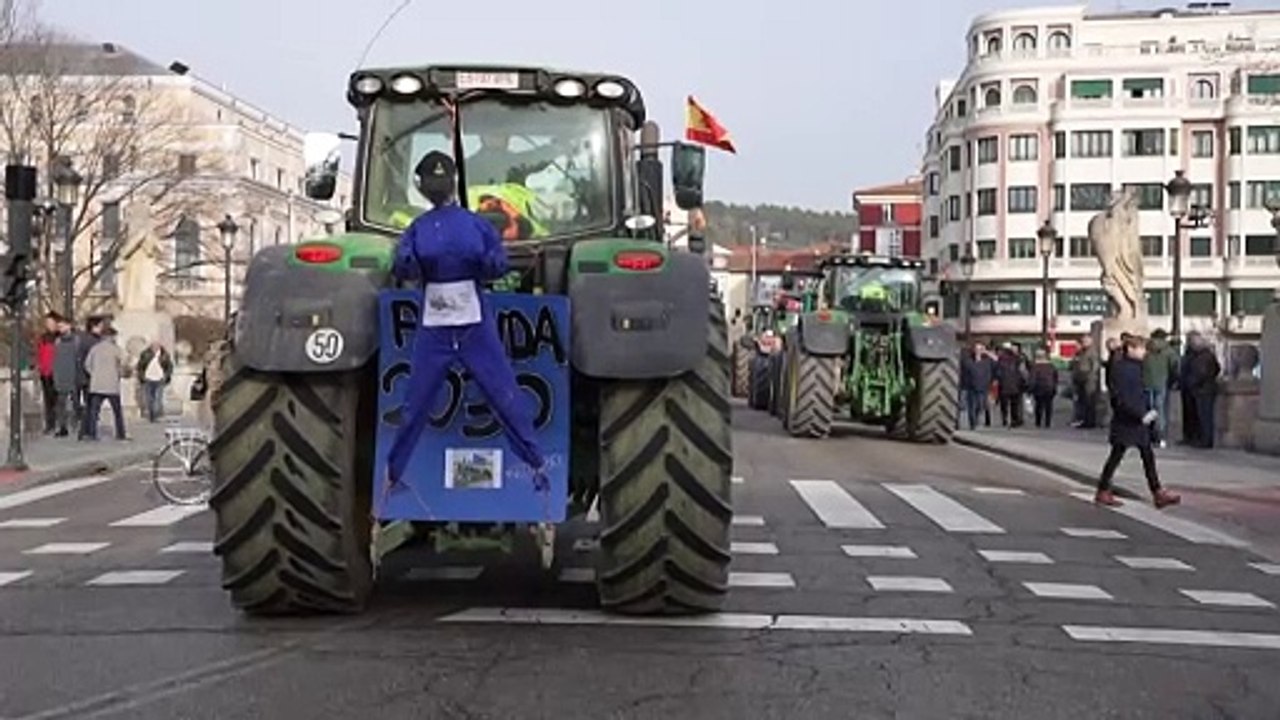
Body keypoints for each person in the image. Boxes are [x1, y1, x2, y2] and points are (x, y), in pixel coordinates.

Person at [385, 150, 547, 490]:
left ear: (422, 187)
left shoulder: (418, 229)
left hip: (435, 327)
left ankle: (393, 476)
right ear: (454, 183)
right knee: (504, 392)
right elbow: (496, 266)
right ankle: (537, 465)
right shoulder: (478, 225)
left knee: (416, 402)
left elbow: (404, 267)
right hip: (474, 324)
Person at [1094, 335, 1181, 509]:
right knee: (1117, 455)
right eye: (1140, 348)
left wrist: (1147, 411)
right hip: (1128, 419)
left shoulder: (1138, 367)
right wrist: (1139, 414)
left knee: (1146, 455)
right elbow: (1120, 397)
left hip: (1137, 418)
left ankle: (1156, 491)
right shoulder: (1121, 369)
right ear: (1131, 349)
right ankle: (1103, 490)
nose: (1144, 352)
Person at [465, 132, 565, 187]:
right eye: (496, 134)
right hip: (508, 220)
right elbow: (534, 159)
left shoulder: (465, 166)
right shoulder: (512, 162)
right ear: (483, 137)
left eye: (506, 134)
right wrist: (557, 148)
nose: (504, 138)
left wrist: (555, 149)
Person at [84, 327, 127, 441]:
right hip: (111, 384)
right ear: (111, 337)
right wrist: (118, 372)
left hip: (97, 384)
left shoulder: (94, 349)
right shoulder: (115, 349)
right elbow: (124, 363)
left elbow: (87, 365)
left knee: (94, 411)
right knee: (117, 412)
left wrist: (94, 374)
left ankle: (92, 433)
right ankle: (120, 433)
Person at [1181, 332, 1222, 449]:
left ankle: (1206, 440)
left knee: (1205, 417)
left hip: (1203, 389)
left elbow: (1202, 373)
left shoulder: (1204, 356)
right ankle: (1200, 438)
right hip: (1200, 389)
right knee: (1199, 417)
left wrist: (1192, 382)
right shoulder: (1198, 356)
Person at [1142, 329, 1179, 448]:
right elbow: (1175, 367)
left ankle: (1149, 435)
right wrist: (1173, 381)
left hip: (1146, 382)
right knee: (1161, 410)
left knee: (1149, 409)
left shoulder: (1146, 350)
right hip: (1162, 382)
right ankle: (1161, 436)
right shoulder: (1169, 351)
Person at [50, 316, 81, 437]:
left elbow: (79, 358)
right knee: (61, 404)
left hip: (74, 375)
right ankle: (63, 427)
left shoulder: (76, 340)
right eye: (59, 326)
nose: (60, 328)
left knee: (76, 403)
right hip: (61, 376)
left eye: (62, 326)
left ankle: (77, 425)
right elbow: (55, 359)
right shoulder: (57, 341)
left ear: (69, 326)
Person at [959, 341, 995, 431]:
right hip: (971, 387)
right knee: (972, 406)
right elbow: (964, 365)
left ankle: (976, 419)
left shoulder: (987, 361)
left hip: (983, 387)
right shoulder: (968, 360)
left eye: (980, 349)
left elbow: (997, 360)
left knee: (980, 405)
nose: (978, 351)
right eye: (977, 349)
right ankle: (972, 423)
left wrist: (987, 352)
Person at [136, 339, 174, 423]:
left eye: (157, 345)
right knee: (149, 398)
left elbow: (169, 367)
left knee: (158, 398)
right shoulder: (145, 354)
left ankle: (156, 414)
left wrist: (166, 376)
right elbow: (140, 366)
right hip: (148, 378)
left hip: (160, 379)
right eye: (154, 345)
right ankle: (151, 414)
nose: (155, 347)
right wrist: (141, 376)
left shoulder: (165, 355)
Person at [35, 312, 60, 434]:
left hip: (57, 372)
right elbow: (39, 354)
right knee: (48, 400)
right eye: (47, 323)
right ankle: (50, 424)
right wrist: (38, 366)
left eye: (51, 322)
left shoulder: (59, 338)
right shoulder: (43, 338)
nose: (48, 325)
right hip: (45, 373)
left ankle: (59, 424)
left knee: (58, 399)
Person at [1069, 335, 1101, 429]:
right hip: (1081, 379)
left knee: (1089, 401)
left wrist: (1090, 376)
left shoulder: (1092, 352)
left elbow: (1095, 366)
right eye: (1083, 341)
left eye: (1085, 341)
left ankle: (1090, 422)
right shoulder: (1081, 352)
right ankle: (1084, 420)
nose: (1083, 343)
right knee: (1083, 401)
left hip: (1089, 380)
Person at [995, 344, 1026, 427]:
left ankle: (1005, 418)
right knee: (1014, 404)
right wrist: (1023, 382)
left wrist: (1000, 380)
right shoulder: (1018, 360)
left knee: (1004, 404)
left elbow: (998, 373)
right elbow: (1022, 372)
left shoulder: (1000, 360)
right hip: (1015, 386)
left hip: (1004, 385)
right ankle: (1014, 420)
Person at [1029, 349, 1059, 428]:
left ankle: (1038, 422)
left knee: (1039, 406)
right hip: (1049, 388)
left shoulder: (1035, 367)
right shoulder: (1051, 366)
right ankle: (1047, 422)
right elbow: (1055, 377)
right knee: (1048, 406)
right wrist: (1054, 386)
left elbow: (1033, 378)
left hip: (1039, 388)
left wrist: (1030, 389)